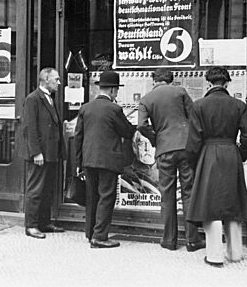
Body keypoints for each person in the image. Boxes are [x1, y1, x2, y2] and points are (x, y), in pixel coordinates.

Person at [185, 66, 247, 267]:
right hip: (231, 153)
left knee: (210, 204)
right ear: (227, 83)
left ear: (208, 83)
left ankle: (215, 255)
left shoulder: (198, 106)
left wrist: (194, 162)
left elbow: (193, 141)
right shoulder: (238, 105)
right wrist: (240, 154)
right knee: (233, 202)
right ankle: (235, 252)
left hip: (207, 155)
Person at [137, 68, 205, 252]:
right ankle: (192, 240)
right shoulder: (180, 92)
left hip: (164, 149)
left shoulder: (146, 99)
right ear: (170, 79)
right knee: (188, 192)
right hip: (185, 147)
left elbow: (141, 126)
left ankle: (169, 240)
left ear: (154, 80)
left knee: (167, 195)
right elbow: (194, 118)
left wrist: (156, 138)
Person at [73, 70, 135, 248]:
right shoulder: (114, 109)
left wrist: (79, 163)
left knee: (92, 196)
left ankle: (90, 232)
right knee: (107, 196)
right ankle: (100, 236)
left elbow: (78, 137)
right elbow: (126, 131)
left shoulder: (85, 108)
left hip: (89, 159)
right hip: (108, 160)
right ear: (114, 90)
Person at [21, 67, 65, 239]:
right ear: (46, 80)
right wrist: (36, 153)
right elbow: (29, 128)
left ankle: (44, 222)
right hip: (40, 153)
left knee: (46, 188)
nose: (59, 83)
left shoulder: (49, 98)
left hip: (51, 152)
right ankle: (31, 225)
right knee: (36, 189)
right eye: (56, 80)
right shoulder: (33, 99)